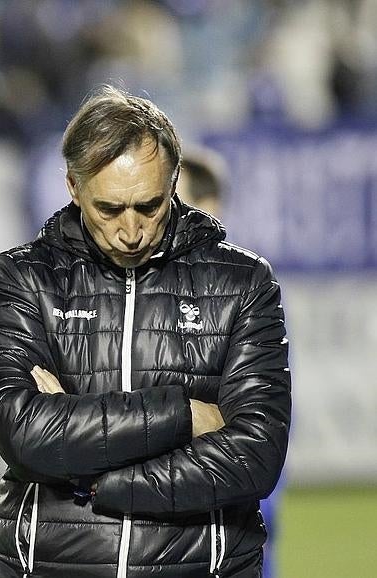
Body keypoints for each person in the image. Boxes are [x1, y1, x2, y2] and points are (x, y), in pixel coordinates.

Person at [0, 86, 291, 578]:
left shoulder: (243, 284)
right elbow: (28, 436)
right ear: (72, 187)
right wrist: (183, 416)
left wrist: (93, 480)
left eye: (149, 206)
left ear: (173, 184)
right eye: (109, 209)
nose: (131, 230)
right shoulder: (22, 279)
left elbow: (256, 456)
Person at [176, 149, 284, 578]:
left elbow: (255, 414)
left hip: (227, 484)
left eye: (173, 201)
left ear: (208, 206)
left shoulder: (247, 288)